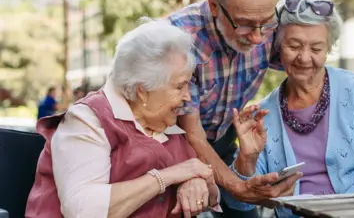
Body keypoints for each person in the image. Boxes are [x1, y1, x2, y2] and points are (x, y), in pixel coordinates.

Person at [168, 0, 354, 217]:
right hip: (172, 140)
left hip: (222, 140)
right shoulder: (179, 41)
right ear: (214, 5)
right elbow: (193, 137)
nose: (258, 38)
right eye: (245, 24)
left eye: (266, 23)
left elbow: (309, 59)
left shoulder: (268, 29)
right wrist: (240, 181)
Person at [222, 0, 354, 216]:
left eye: (316, 48)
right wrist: (247, 158)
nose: (305, 58)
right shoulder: (264, 115)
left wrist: (330, 210)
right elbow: (240, 203)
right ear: (278, 47)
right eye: (294, 46)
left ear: (329, 48)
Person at [26, 21, 221, 218]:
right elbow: (84, 211)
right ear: (143, 91)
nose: (188, 96)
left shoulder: (167, 121)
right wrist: (167, 177)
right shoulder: (87, 121)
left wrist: (197, 182)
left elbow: (210, 198)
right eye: (180, 86)